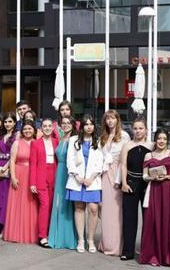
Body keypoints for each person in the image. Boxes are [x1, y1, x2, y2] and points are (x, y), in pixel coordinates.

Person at [139, 130, 170, 267]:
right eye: (159, 138)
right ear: (155, 140)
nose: (161, 141)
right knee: (153, 220)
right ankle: (153, 255)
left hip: (168, 190)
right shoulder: (148, 155)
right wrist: (152, 177)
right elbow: (144, 176)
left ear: (167, 140)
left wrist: (167, 177)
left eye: (164, 138)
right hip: (154, 189)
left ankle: (168, 257)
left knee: (169, 221)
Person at [67, 117, 104, 253]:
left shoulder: (99, 142)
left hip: (92, 180)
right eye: (86, 124)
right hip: (77, 180)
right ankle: (81, 240)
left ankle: (90, 239)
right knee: (79, 208)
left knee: (93, 209)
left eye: (91, 124)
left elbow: (101, 161)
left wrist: (92, 177)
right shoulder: (73, 141)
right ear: (81, 127)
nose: (89, 127)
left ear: (94, 126)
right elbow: (70, 159)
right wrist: (77, 176)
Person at [98, 110, 130, 256]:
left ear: (117, 120)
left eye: (113, 118)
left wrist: (120, 179)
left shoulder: (124, 136)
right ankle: (106, 243)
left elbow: (125, 160)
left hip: (117, 173)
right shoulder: (103, 137)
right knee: (105, 210)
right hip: (105, 174)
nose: (110, 121)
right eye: (107, 119)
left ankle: (117, 245)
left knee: (117, 212)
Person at [119, 119, 151, 260]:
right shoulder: (127, 145)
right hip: (131, 182)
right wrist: (124, 183)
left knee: (148, 217)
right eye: (136, 128)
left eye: (141, 128)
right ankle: (128, 251)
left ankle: (146, 250)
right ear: (132, 130)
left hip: (147, 184)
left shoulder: (152, 145)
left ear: (146, 130)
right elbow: (123, 165)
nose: (138, 131)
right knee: (129, 218)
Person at [3, 123, 39, 244]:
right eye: (25, 129)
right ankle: (15, 233)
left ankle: (31, 234)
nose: (27, 131)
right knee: (18, 204)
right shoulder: (17, 142)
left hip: (32, 175)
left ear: (34, 130)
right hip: (19, 173)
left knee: (31, 203)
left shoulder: (37, 142)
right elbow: (12, 161)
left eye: (30, 128)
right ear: (22, 131)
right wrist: (13, 176)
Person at [48, 117, 78, 250]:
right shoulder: (60, 139)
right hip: (58, 172)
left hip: (69, 173)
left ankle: (69, 238)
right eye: (63, 123)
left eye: (68, 123)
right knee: (58, 203)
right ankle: (57, 236)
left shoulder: (75, 140)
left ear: (73, 125)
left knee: (69, 204)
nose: (65, 125)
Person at [30, 119, 59, 248]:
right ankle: (42, 236)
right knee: (45, 205)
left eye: (49, 126)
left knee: (53, 206)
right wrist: (32, 183)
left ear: (53, 128)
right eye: (44, 126)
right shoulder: (35, 144)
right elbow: (33, 164)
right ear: (41, 128)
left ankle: (51, 233)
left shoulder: (56, 142)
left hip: (54, 174)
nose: (47, 128)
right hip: (41, 176)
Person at [0, 113, 17, 239]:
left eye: (10, 121)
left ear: (14, 123)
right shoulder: (2, 135)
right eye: (6, 122)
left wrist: (4, 169)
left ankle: (6, 227)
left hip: (7, 169)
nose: (7, 124)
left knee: (6, 199)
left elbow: (13, 155)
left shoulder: (16, 135)